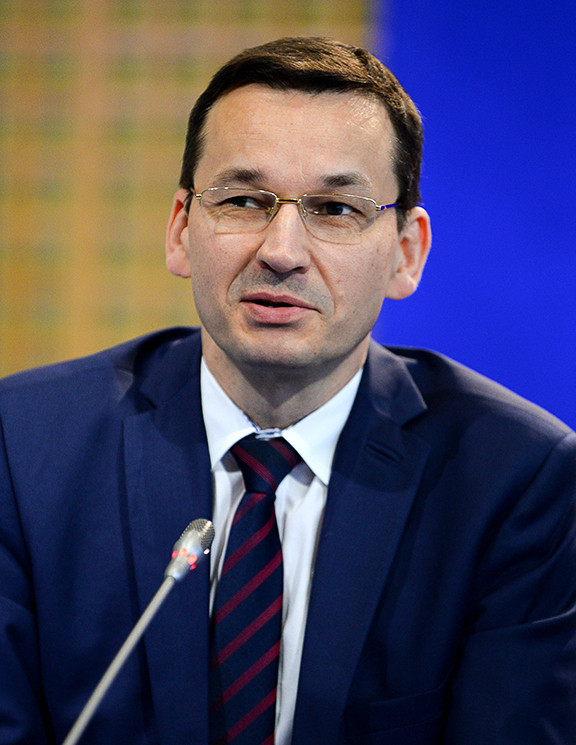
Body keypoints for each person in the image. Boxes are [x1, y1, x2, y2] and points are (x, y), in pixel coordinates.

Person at [0, 36, 575, 745]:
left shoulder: (515, 480)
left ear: (406, 253)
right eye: (244, 200)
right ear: (180, 230)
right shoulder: (24, 448)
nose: (281, 251)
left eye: (335, 209)